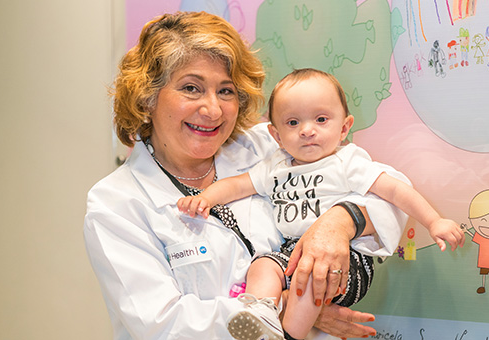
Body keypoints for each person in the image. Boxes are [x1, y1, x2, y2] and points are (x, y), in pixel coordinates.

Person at [83, 12, 407, 339]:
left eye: (226, 91)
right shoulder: (116, 203)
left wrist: (342, 220)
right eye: (191, 88)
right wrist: (285, 306)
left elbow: (392, 192)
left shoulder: (272, 147)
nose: (212, 109)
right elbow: (162, 324)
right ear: (147, 96)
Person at [177, 68, 466, 340]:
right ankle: (262, 312)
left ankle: (289, 334)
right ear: (276, 135)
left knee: (308, 275)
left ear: (344, 127)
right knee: (263, 265)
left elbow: (396, 190)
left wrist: (433, 221)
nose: (306, 130)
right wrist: (205, 198)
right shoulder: (275, 166)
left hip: (347, 259)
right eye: (293, 122)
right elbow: (238, 185)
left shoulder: (346, 162)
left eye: (321, 120)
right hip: (292, 251)